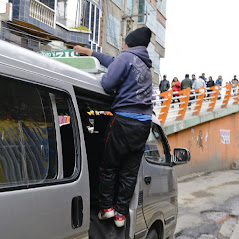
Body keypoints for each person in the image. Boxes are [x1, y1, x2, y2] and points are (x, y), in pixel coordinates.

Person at [74, 27, 152, 228]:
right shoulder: (143, 65)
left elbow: (108, 83)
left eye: (124, 44)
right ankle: (120, 215)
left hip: (123, 121)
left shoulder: (126, 58)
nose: (122, 47)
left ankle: (106, 208)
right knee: (129, 172)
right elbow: (113, 61)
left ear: (129, 44)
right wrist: (89, 53)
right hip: (143, 125)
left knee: (108, 165)